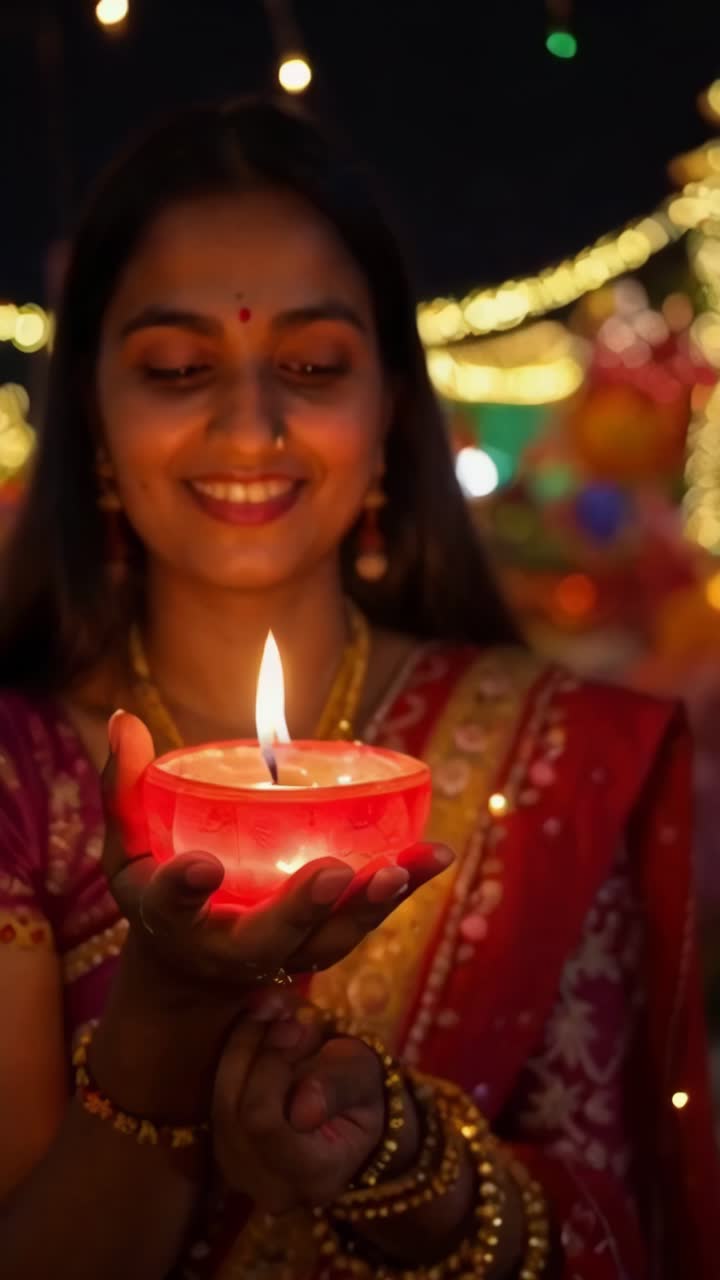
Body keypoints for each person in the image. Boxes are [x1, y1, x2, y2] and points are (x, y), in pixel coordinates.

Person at [0, 98, 717, 1280]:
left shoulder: (562, 757)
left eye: (313, 365)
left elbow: (622, 1232)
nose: (250, 422)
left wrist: (401, 1160)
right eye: (179, 366)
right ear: (92, 410)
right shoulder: (23, 781)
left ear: (389, 406)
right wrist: (167, 1015)